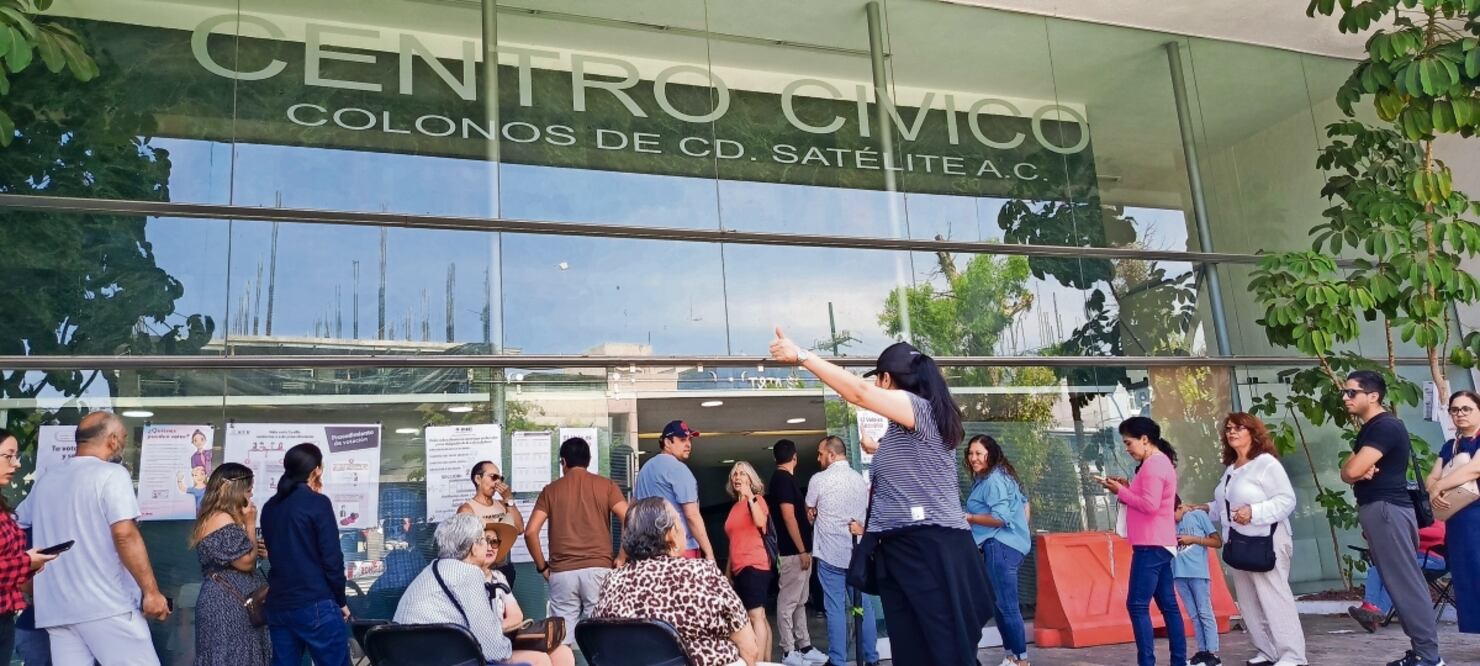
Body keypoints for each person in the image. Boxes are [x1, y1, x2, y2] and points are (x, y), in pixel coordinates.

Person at [770, 333, 990, 665]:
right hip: (907, 549)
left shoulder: (920, 408)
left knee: (944, 654)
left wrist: (802, 356)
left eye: (879, 381)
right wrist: (877, 448)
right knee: (917, 653)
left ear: (887, 379)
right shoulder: (906, 428)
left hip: (929, 548)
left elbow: (858, 392)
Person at [17, 412, 170, 665]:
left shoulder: (47, 479)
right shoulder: (112, 474)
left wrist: (24, 578)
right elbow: (124, 534)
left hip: (58, 609)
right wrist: (151, 592)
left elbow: (15, 525)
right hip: (106, 604)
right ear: (111, 440)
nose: (123, 443)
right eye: (122, 438)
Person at [1340, 370, 1444, 666]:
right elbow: (1348, 469)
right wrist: (1354, 469)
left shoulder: (1384, 427)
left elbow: (1350, 471)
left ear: (1373, 396)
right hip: (1382, 508)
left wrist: (1355, 469)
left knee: (1405, 582)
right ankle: (1424, 653)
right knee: (1398, 580)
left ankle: (1429, 656)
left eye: (1352, 392)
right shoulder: (1372, 428)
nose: (1346, 398)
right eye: (1344, 393)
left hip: (1386, 509)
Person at [593, 498, 758, 666]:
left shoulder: (611, 582)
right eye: (679, 520)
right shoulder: (702, 574)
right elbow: (749, 649)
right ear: (670, 537)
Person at [395, 514, 574, 666]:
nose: (487, 546)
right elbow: (493, 650)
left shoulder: (433, 569)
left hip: (410, 656)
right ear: (473, 548)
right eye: (483, 540)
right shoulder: (468, 574)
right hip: (444, 659)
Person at [1097, 416, 1185, 666]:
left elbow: (1149, 504)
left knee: (1137, 605)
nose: (1127, 449)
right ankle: (1178, 661)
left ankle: (1147, 662)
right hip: (1157, 542)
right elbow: (1147, 498)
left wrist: (1120, 491)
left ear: (1145, 440)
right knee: (1168, 606)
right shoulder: (1157, 463)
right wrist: (1125, 488)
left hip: (1151, 543)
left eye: (1128, 443)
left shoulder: (1154, 465)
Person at [524, 437, 628, 644]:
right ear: (588, 460)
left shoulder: (550, 491)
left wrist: (542, 567)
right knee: (600, 636)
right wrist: (622, 557)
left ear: (563, 462)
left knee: (561, 639)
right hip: (599, 570)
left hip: (562, 572)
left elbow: (530, 532)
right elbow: (630, 518)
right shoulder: (606, 486)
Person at [259, 443, 350, 666]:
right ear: (316, 469)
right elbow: (332, 559)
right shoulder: (317, 503)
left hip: (279, 604)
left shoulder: (270, 507)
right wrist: (340, 600)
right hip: (315, 602)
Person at [805, 436, 878, 666]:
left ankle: (838, 660)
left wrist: (812, 513)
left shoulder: (819, 479)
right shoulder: (859, 479)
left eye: (820, 453)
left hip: (830, 554)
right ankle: (871, 658)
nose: (818, 458)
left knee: (835, 607)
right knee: (863, 606)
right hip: (856, 554)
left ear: (832, 454)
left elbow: (810, 506)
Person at [190, 462, 270, 666]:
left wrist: (253, 548)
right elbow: (246, 563)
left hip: (232, 604)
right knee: (234, 657)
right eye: (248, 491)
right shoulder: (221, 518)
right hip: (227, 607)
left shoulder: (215, 517)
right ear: (234, 491)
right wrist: (251, 523)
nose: (250, 497)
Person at [963, 435, 1031, 666]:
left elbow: (1000, 518)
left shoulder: (993, 479)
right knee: (1001, 607)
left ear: (990, 454)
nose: (973, 458)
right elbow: (1024, 503)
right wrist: (1022, 535)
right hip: (1007, 546)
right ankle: (1012, 656)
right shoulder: (997, 476)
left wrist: (970, 517)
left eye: (979, 453)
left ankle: (1021, 660)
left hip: (998, 547)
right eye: (971, 453)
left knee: (1007, 607)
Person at [766, 440, 825, 666]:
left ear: (775, 458)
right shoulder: (781, 480)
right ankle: (788, 650)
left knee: (800, 601)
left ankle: (804, 646)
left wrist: (807, 518)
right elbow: (788, 516)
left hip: (800, 551)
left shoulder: (786, 480)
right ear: (795, 457)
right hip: (793, 552)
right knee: (789, 601)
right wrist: (801, 549)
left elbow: (795, 516)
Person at [0, 429, 56, 663]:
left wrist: (30, 564)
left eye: (17, 456)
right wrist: (26, 562)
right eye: (8, 456)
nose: (17, 463)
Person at [1429, 389, 1480, 634]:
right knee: (1468, 577)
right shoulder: (1450, 445)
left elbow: (1474, 470)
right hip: (1458, 519)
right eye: (1455, 410)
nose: (1460, 414)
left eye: (1466, 408)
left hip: (1478, 516)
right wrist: (1433, 490)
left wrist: (1439, 486)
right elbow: (1433, 476)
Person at [632, 420, 714, 560]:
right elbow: (692, 516)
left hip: (648, 554)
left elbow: (632, 513)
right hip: (680, 550)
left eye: (690, 440)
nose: (688, 444)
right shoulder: (679, 469)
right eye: (682, 440)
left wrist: (622, 555)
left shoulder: (645, 469)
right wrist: (709, 553)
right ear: (667, 442)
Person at [1349, 521, 1447, 631]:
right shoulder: (1410, 517)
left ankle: (1376, 613)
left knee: (1395, 574)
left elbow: (1439, 533)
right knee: (1376, 569)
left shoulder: (1438, 519)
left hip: (1433, 560)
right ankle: (1369, 607)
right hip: (1408, 558)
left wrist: (1404, 529)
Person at [723, 461, 775, 664]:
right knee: (755, 616)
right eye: (734, 474)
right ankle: (766, 660)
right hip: (738, 567)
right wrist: (728, 573)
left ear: (750, 479)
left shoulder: (757, 500)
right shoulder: (735, 507)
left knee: (755, 615)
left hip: (755, 564)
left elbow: (761, 522)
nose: (737, 477)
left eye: (742, 474)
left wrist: (750, 496)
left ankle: (758, 662)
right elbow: (733, 542)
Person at [458, 461, 524, 586]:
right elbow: (464, 546)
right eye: (493, 477)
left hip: (504, 568)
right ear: (478, 479)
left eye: (500, 478)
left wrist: (508, 499)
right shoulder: (467, 509)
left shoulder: (502, 504)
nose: (498, 482)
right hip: (480, 571)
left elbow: (519, 529)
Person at [1173, 496, 1221, 666]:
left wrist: (1193, 539)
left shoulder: (1198, 516)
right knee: (1194, 615)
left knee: (1204, 612)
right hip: (1178, 574)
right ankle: (1202, 651)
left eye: (1173, 513)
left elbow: (1217, 541)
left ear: (1179, 507)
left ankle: (1213, 653)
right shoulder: (1166, 522)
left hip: (1198, 573)